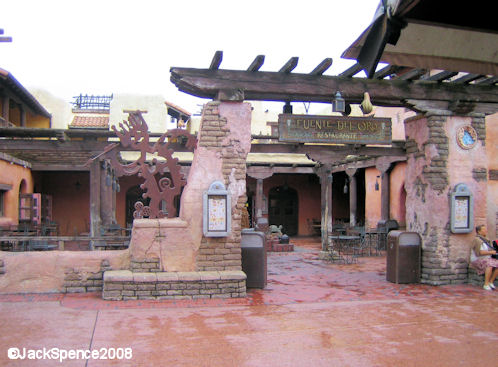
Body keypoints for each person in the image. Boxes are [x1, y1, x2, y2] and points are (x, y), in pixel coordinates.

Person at [470, 225, 498, 290]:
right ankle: (486, 284)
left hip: (487, 258)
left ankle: (491, 282)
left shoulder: (486, 240)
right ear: (479, 232)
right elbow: (480, 252)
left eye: (486, 229)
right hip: (477, 259)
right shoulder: (477, 240)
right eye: (484, 229)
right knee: (489, 264)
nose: (486, 231)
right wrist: (492, 252)